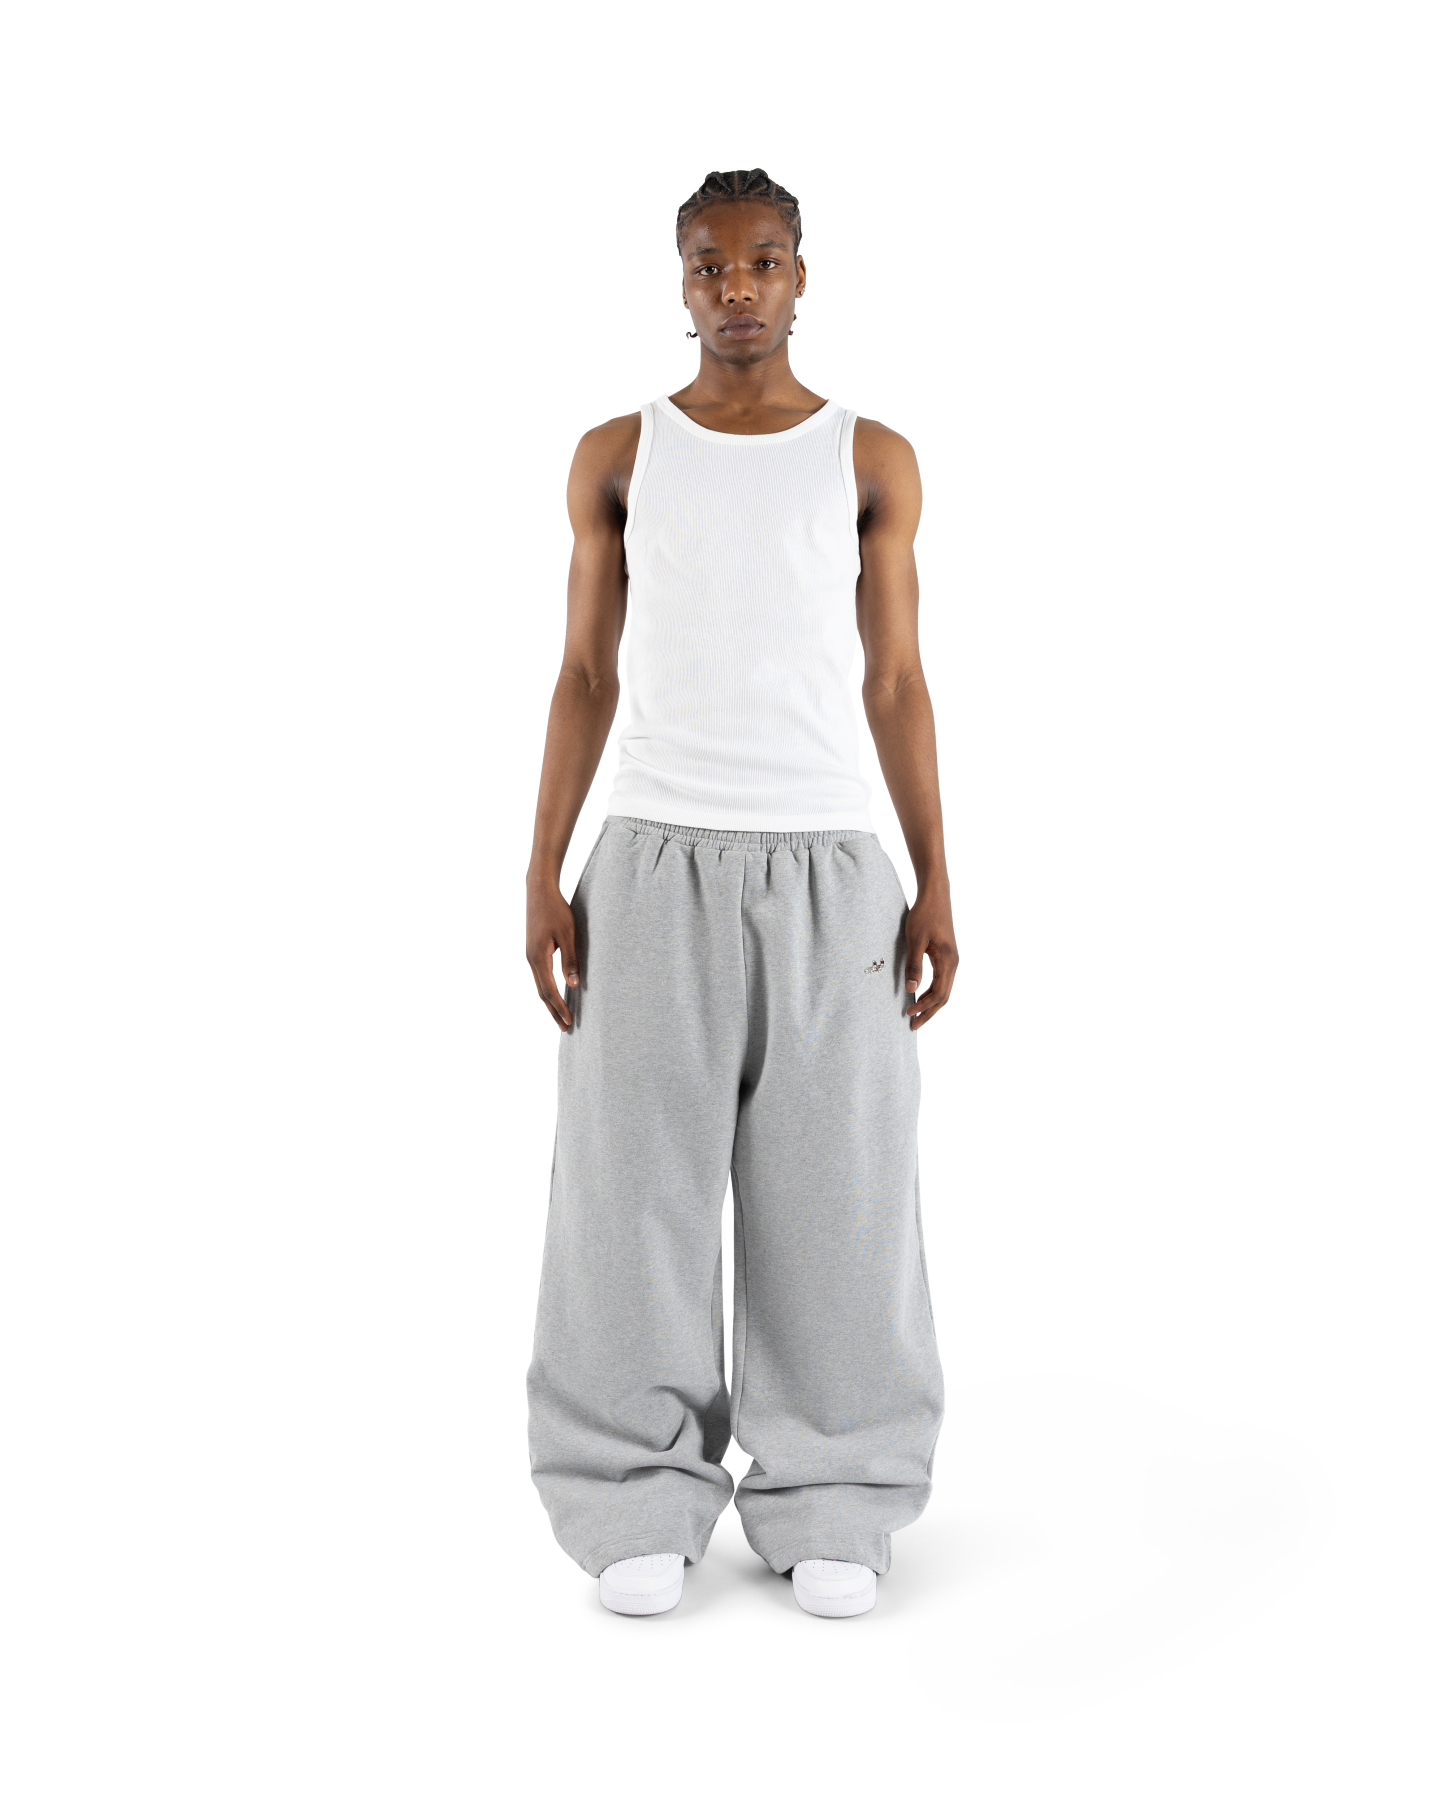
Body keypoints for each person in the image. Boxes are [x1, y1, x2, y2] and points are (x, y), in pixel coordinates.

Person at [524, 168, 957, 1619]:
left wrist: (934, 879)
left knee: (839, 1193)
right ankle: (631, 1488)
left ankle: (833, 1488)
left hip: (830, 864)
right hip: (651, 858)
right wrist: (543, 873)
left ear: (801, 275)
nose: (737, 290)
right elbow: (585, 674)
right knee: (629, 1197)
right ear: (682, 281)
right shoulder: (621, 455)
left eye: (762, 263)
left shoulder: (868, 458)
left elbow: (897, 680)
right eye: (710, 267)